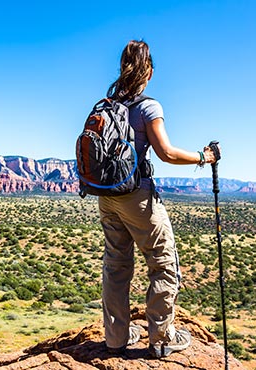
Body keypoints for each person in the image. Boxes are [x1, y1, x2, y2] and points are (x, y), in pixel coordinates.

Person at [98, 40, 219, 358]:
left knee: (116, 265)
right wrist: (202, 157)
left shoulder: (109, 104)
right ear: (148, 71)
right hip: (137, 197)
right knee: (164, 264)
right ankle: (162, 338)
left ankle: (116, 336)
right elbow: (165, 153)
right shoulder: (148, 106)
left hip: (106, 196)